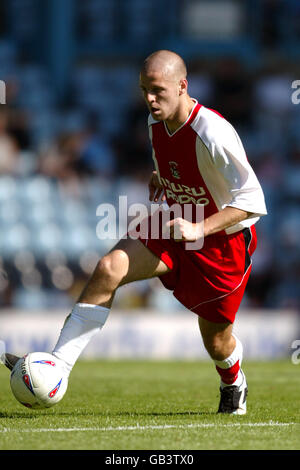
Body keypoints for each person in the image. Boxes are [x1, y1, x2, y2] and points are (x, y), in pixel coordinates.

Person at [4, 50, 267, 414]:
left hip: (222, 244)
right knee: (109, 267)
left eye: (157, 90)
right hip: (175, 221)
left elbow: (253, 200)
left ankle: (232, 381)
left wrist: (200, 228)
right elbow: (177, 163)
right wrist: (162, 177)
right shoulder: (154, 121)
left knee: (217, 340)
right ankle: (58, 368)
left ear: (182, 86)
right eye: (144, 89)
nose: (149, 98)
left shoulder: (213, 131)